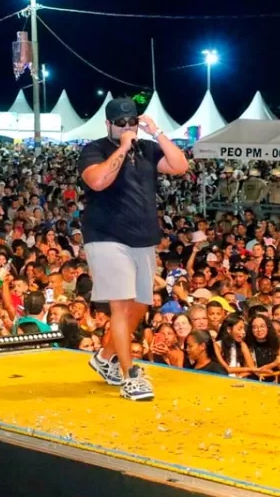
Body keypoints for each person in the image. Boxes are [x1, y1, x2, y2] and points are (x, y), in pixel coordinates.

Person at [80, 98, 188, 401]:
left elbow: (180, 166)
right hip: (106, 235)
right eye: (120, 123)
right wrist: (123, 147)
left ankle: (104, 358)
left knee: (140, 305)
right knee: (121, 305)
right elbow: (97, 181)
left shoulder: (148, 149)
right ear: (108, 124)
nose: (127, 127)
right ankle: (130, 376)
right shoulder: (94, 149)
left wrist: (157, 132)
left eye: (132, 122)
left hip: (143, 237)